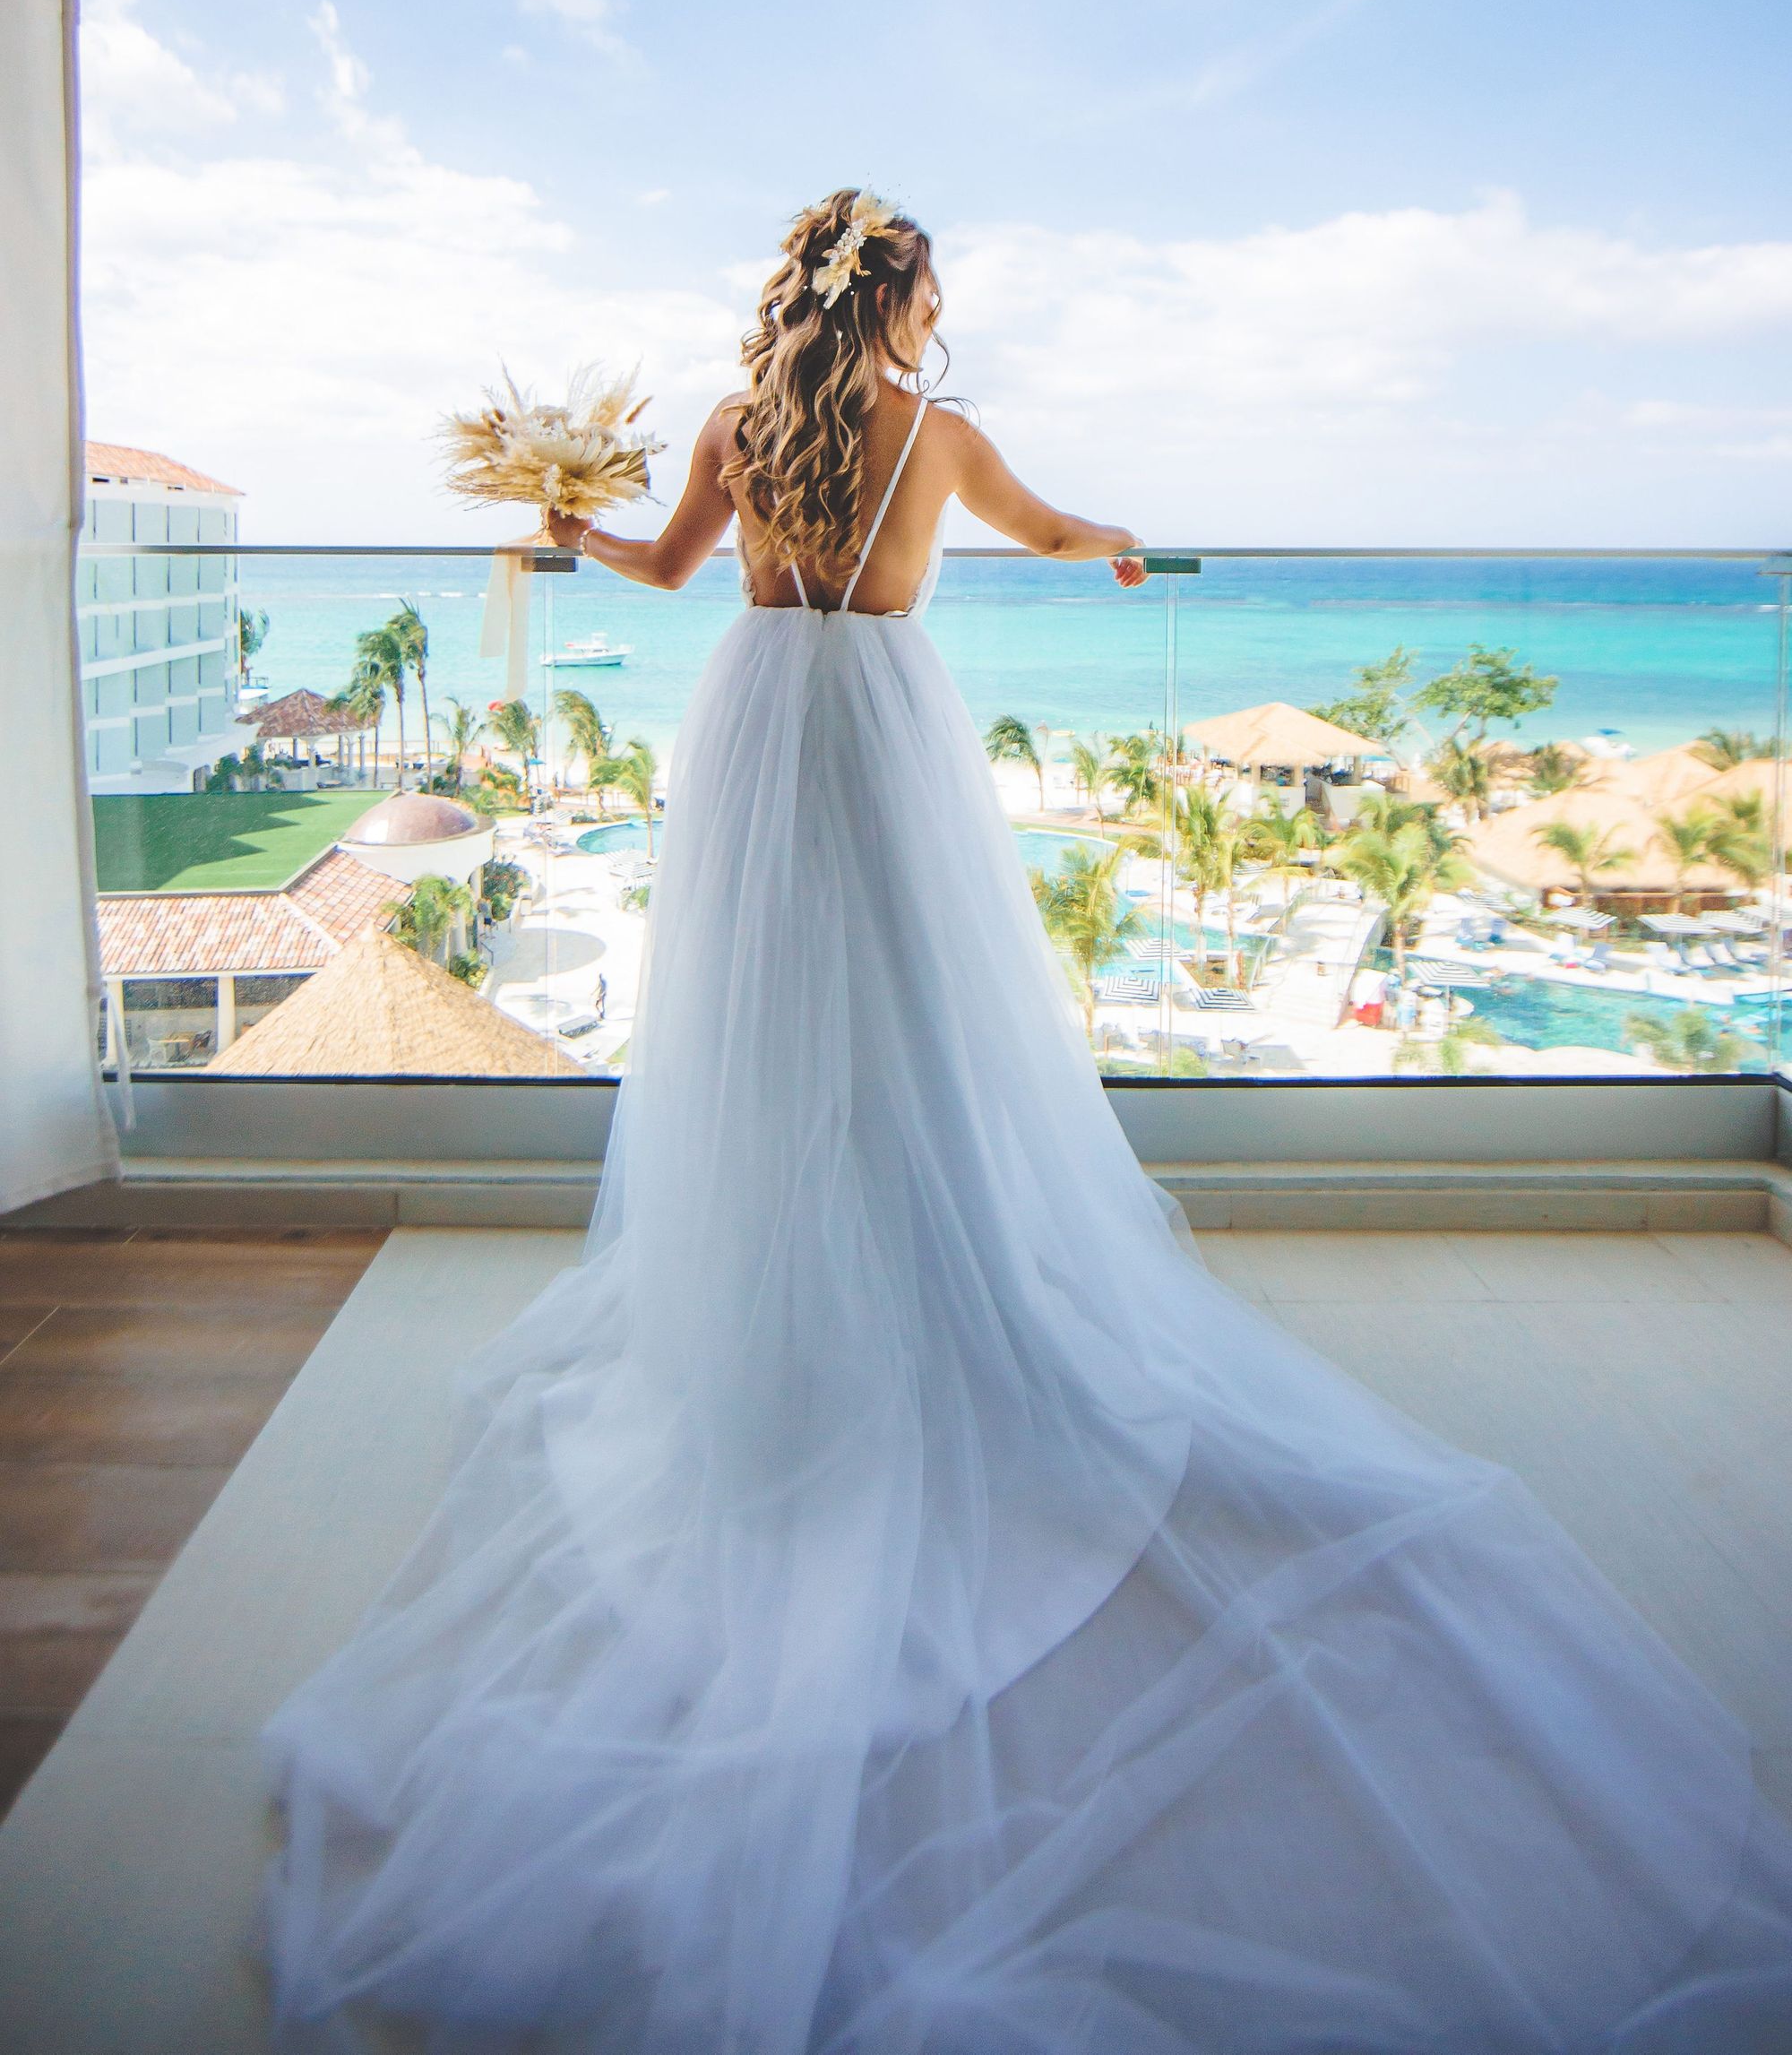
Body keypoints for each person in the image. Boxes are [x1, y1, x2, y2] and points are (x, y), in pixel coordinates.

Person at [263, 190, 1792, 2051]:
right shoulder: (938, 433)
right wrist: (1124, 550)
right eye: (932, 287)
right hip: (882, 730)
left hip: (757, 728)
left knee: (769, 1021)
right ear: (898, 298)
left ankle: (785, 1292)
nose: (940, 310)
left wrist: (557, 522)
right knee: (912, 1018)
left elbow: (660, 575)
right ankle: (927, 1276)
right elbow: (1053, 530)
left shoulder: (740, 427)